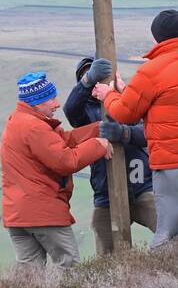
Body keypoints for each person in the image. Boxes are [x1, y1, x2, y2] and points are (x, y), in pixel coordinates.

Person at [92, 10, 178, 248]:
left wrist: (108, 94)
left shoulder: (152, 70)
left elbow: (124, 113)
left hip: (175, 164)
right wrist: (127, 92)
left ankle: (161, 282)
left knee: (167, 235)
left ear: (157, 38)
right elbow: (171, 103)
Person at [0, 70, 118, 266]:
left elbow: (62, 141)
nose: (56, 104)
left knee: (29, 277)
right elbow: (65, 161)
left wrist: (98, 127)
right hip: (43, 213)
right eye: (51, 98)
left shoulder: (18, 122)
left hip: (18, 215)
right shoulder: (34, 127)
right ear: (37, 102)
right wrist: (99, 145)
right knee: (69, 267)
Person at [64, 54, 156, 254]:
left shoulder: (127, 101)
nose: (95, 81)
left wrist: (124, 133)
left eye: (100, 76)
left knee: (169, 233)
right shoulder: (83, 112)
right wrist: (86, 82)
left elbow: (147, 133)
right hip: (106, 193)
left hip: (142, 187)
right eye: (89, 77)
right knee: (106, 255)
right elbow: (70, 108)